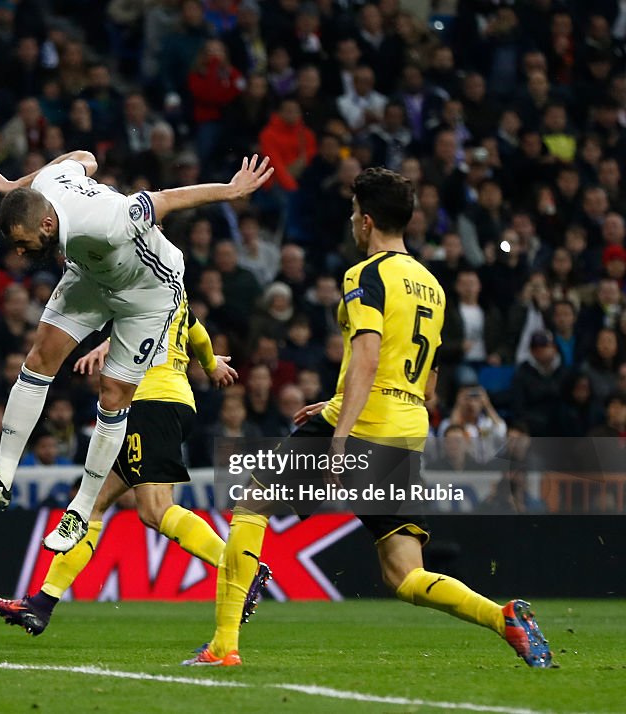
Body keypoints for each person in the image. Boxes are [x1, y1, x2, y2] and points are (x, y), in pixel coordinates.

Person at [184, 167, 552, 668]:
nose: (353, 219)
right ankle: (503, 617)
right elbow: (428, 380)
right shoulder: (433, 286)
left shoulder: (367, 274)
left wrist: (338, 433)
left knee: (251, 501)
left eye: (355, 211)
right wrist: (337, 403)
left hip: (363, 423)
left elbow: (368, 356)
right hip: (405, 426)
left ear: (368, 220)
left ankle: (224, 646)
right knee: (405, 575)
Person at [0, 149, 274, 554]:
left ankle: (80, 511)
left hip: (148, 293)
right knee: (37, 361)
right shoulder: (46, 186)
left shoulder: (110, 220)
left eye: (23, 243)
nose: (20, 252)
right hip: (92, 276)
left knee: (112, 394)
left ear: (48, 223)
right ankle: (0, 480)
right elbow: (84, 157)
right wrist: (15, 185)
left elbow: (166, 199)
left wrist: (230, 190)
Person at [0, 300, 270, 635]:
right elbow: (198, 334)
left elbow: (140, 326)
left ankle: (243, 570)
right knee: (90, 503)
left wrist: (104, 346)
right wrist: (210, 365)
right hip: (167, 403)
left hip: (151, 403)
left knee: (154, 510)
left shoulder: (146, 287)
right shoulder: (174, 294)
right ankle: (41, 604)